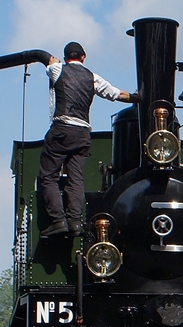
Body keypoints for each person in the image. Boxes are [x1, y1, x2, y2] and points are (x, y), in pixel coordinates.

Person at [38, 42, 137, 238]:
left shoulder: (57, 69)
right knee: (75, 178)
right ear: (83, 57)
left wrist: (55, 61)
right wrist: (139, 97)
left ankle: (58, 221)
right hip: (83, 133)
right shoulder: (93, 77)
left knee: (48, 175)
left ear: (66, 58)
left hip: (62, 129)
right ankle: (75, 222)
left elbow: (46, 58)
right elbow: (118, 94)